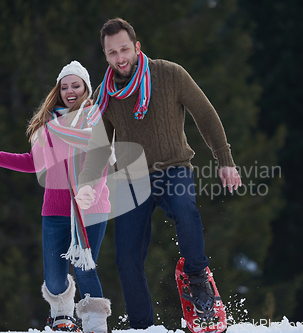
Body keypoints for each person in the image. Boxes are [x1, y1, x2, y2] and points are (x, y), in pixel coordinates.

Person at [75, 18, 242, 329]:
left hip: (172, 168)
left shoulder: (169, 74)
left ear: (137, 47)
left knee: (185, 210)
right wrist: (87, 185)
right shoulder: (105, 95)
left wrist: (224, 159)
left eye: (124, 49)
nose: (120, 58)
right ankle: (142, 325)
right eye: (112, 53)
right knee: (127, 260)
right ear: (105, 55)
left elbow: (204, 114)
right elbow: (99, 147)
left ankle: (198, 282)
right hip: (129, 180)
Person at [0, 61, 111, 333]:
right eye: (64, 87)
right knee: (54, 279)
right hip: (55, 211)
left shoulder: (96, 121)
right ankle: (62, 314)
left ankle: (95, 325)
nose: (70, 91)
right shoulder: (50, 127)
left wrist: (89, 193)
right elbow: (33, 163)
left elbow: (100, 162)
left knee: (84, 268)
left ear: (85, 88)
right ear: (58, 91)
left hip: (91, 208)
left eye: (75, 85)